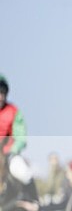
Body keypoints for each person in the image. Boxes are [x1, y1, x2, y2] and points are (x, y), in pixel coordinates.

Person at [0, 74, 38, 203]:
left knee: (23, 172)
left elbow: (21, 137)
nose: (0, 97)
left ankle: (36, 205)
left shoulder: (13, 111)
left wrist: (12, 150)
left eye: (2, 93)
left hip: (9, 155)